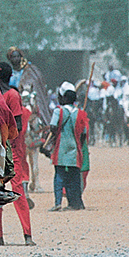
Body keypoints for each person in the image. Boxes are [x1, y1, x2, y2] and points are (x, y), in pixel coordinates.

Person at [0, 62, 34, 246]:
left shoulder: (11, 95)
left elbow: (18, 126)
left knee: (17, 190)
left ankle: (27, 235)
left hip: (11, 152)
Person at [47, 82, 88, 211]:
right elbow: (84, 133)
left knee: (59, 176)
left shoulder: (58, 111)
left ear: (64, 98)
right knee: (74, 177)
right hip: (74, 148)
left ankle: (58, 203)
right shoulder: (80, 113)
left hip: (61, 147)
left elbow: (53, 127)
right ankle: (75, 203)